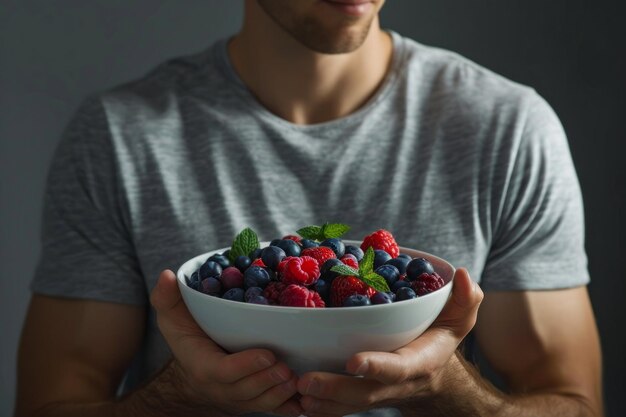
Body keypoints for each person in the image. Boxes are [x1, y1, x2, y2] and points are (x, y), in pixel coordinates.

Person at [15, 0, 603, 416]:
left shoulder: (508, 129)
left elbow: (574, 403)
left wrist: (445, 390)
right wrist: (184, 396)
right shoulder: (120, 136)